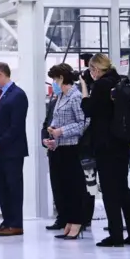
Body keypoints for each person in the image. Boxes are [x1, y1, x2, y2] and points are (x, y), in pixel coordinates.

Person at [80, 54, 130, 247]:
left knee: (109, 191)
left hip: (106, 145)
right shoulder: (120, 81)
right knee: (122, 190)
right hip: (122, 143)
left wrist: (85, 87)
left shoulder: (100, 85)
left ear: (95, 70)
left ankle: (116, 235)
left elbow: (88, 109)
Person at [44, 63, 88, 240]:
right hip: (59, 147)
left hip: (71, 147)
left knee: (74, 187)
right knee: (63, 188)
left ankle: (77, 221)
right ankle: (69, 219)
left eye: (55, 79)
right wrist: (52, 136)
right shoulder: (60, 96)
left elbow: (83, 122)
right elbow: (57, 120)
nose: (53, 83)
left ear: (61, 78)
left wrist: (62, 131)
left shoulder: (75, 97)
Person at [0, 62, 28, 237]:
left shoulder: (18, 95)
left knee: (13, 187)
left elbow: (16, 126)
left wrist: (0, 142)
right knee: (2, 188)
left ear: (2, 74)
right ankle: (7, 221)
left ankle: (16, 223)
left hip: (12, 151)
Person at [42, 93, 62, 230]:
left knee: (68, 186)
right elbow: (46, 124)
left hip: (66, 147)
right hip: (52, 149)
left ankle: (76, 220)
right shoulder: (54, 101)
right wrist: (44, 140)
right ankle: (61, 218)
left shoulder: (73, 98)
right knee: (56, 185)